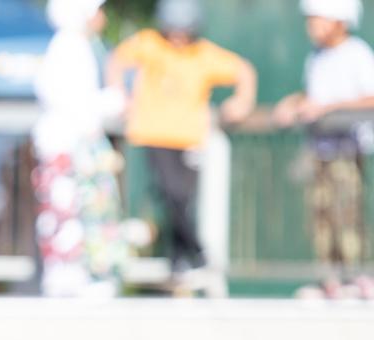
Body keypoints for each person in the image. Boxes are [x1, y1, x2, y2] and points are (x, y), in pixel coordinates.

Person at [107, 0, 258, 288]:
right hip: (153, 134)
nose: (177, 37)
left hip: (188, 137)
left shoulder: (203, 54)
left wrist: (243, 101)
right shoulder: (149, 44)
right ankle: (197, 251)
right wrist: (120, 93)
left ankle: (179, 259)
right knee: (171, 193)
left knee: (181, 201)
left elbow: (244, 71)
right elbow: (117, 60)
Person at [33, 0, 140, 297]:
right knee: (68, 209)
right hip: (68, 145)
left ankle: (85, 270)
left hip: (77, 143)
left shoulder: (79, 45)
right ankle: (72, 272)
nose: (103, 17)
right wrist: (113, 102)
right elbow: (68, 99)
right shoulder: (69, 46)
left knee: (84, 208)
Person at [274, 0, 374, 300]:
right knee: (320, 216)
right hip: (319, 150)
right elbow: (312, 95)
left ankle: (355, 278)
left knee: (346, 214)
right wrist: (293, 104)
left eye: (318, 19)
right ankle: (329, 279)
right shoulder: (316, 57)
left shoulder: (357, 54)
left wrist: (326, 109)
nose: (311, 26)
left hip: (347, 149)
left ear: (338, 21)